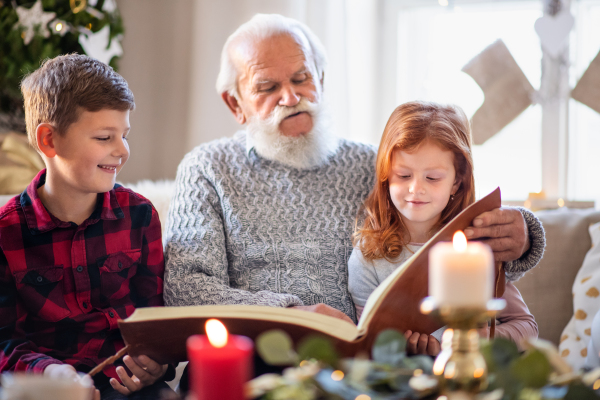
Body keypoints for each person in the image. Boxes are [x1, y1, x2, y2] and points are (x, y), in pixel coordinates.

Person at [164, 14, 545, 324]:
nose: (292, 98)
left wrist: (524, 234)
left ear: (322, 80)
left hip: (360, 364)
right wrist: (292, 314)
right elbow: (185, 289)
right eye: (267, 87)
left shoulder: (375, 164)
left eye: (302, 78)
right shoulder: (207, 168)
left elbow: (447, 237)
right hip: (252, 352)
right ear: (235, 103)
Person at [0, 55, 175, 399]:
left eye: (124, 135)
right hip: (47, 387)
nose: (122, 151)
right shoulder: (7, 232)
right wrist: (51, 373)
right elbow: (5, 341)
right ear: (49, 139)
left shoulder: (139, 215)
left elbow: (153, 320)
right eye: (104, 137)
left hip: (127, 385)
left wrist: (156, 362)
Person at [349, 101, 539, 355]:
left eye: (432, 178)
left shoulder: (475, 250)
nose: (416, 188)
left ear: (456, 182)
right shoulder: (369, 257)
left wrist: (484, 339)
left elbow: (527, 327)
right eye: (403, 175)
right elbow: (367, 343)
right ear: (386, 175)